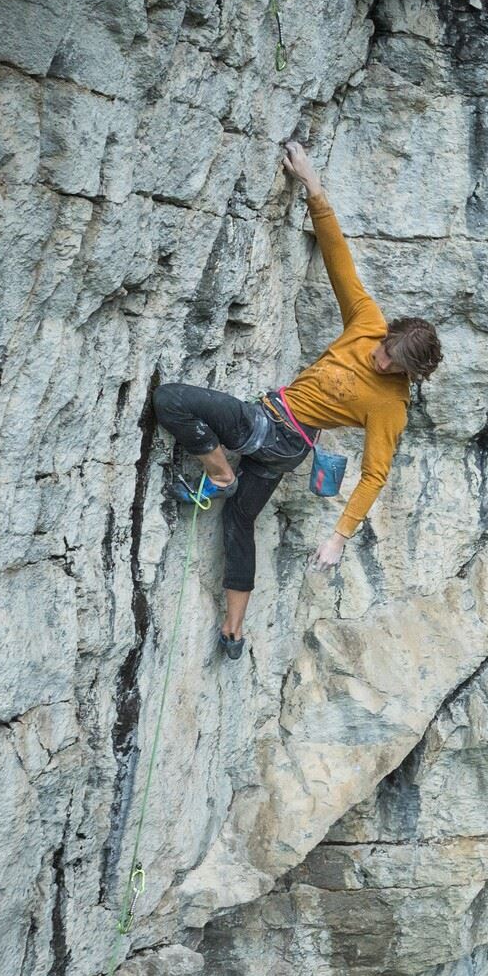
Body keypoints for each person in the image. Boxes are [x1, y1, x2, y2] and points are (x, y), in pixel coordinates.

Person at [151, 140, 442, 658]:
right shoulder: (368, 324)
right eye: (383, 352)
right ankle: (234, 631)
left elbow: (376, 473)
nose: (380, 362)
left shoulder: (390, 406)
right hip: (282, 443)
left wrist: (339, 537)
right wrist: (312, 185)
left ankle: (219, 474)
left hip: (275, 432)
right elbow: (339, 261)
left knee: (171, 400)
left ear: (409, 374)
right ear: (387, 335)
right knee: (239, 519)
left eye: (394, 365)